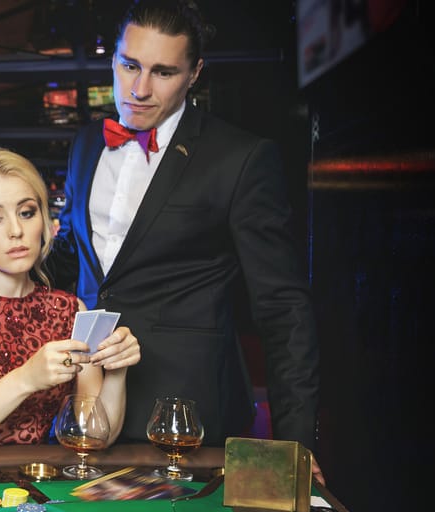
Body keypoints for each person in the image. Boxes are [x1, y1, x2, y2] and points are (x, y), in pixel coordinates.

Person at [50, 0, 323, 480]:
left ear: (195, 73)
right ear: (112, 57)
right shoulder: (88, 142)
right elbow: (86, 268)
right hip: (90, 409)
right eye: (129, 65)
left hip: (187, 418)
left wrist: (293, 448)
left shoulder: (241, 158)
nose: (138, 89)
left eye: (163, 72)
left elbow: (284, 308)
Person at [0, 147, 141, 464]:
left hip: (45, 487)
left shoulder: (72, 309)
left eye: (26, 212)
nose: (15, 231)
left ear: (44, 219)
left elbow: (95, 436)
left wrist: (117, 372)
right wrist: (25, 379)